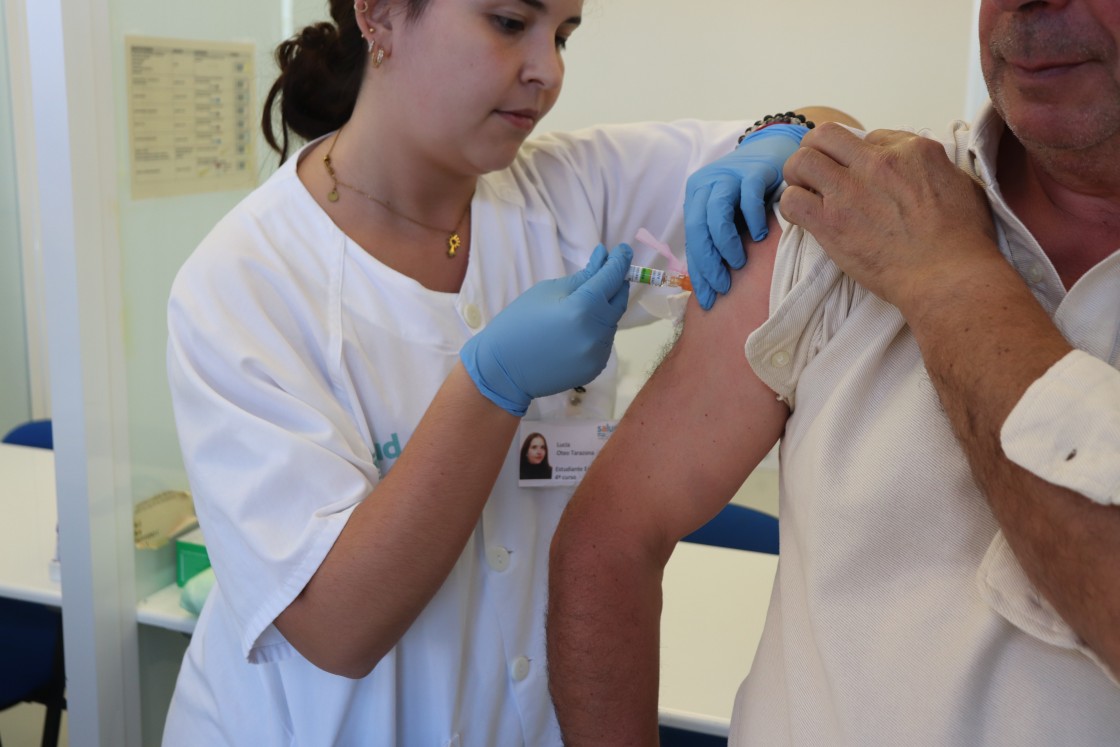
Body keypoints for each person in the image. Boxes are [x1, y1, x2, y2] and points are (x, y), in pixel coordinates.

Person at [159, 0, 840, 743]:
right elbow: (335, 624)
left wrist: (777, 140)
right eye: (510, 22)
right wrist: (490, 384)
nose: (548, 72)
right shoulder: (243, 282)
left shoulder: (568, 189)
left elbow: (833, 135)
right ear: (381, 17)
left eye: (565, 35)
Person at [547, 0, 1120, 743]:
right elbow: (609, 541)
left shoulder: (890, 225)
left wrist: (948, 277)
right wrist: (781, 130)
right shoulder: (861, 209)